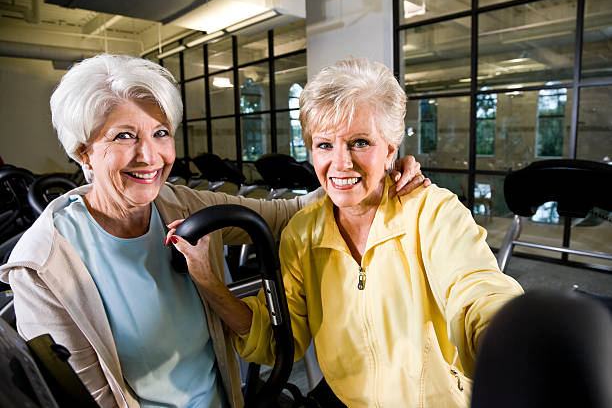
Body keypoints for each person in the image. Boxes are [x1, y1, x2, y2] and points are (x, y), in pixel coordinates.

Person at [0, 54, 427, 408]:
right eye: (124, 136)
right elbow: (85, 399)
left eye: (161, 133)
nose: (149, 155)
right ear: (83, 151)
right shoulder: (43, 264)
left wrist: (377, 170)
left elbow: (289, 214)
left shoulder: (178, 202)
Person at [171, 56, 524, 408]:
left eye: (359, 142)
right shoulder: (302, 234)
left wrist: (510, 339)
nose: (340, 163)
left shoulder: (432, 213)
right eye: (325, 145)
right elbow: (277, 341)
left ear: (390, 148)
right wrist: (209, 282)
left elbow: (476, 290)